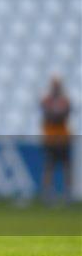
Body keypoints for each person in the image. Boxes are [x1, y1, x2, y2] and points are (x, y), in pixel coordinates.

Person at [41, 76, 72, 204]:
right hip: (51, 139)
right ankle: (48, 194)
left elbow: (62, 115)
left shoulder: (64, 100)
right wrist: (56, 114)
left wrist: (55, 114)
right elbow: (49, 116)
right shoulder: (47, 100)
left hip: (63, 138)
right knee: (49, 167)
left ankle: (67, 194)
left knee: (66, 167)